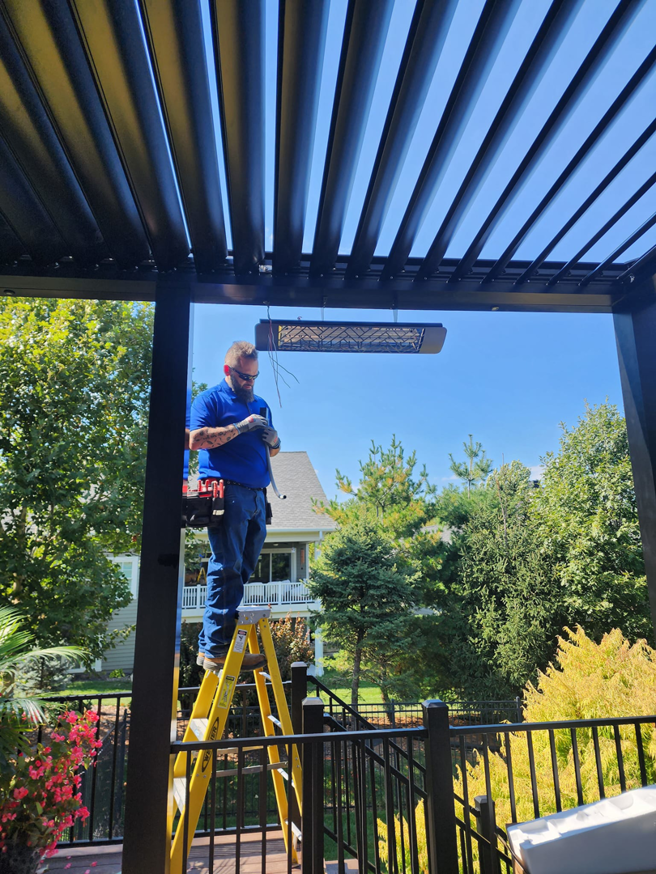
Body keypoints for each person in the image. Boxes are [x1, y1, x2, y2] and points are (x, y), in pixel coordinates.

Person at [189, 341, 280, 671]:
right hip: (226, 491)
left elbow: (274, 450)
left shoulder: (262, 404)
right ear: (228, 370)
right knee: (226, 565)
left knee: (241, 569)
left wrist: (274, 440)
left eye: (254, 377)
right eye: (244, 377)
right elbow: (195, 439)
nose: (250, 383)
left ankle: (209, 645)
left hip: (257, 495)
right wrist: (241, 427)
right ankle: (216, 650)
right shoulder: (210, 399)